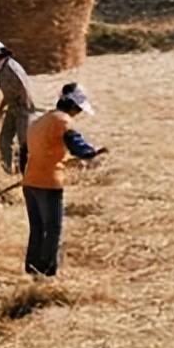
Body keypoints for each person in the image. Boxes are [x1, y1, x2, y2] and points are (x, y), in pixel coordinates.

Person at [22, 83, 108, 278]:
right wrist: (92, 153)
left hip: (30, 182)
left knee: (37, 228)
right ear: (73, 105)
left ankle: (31, 268)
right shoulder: (62, 122)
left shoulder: (38, 121)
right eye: (78, 109)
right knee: (52, 229)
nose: (77, 113)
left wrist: (26, 175)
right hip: (49, 183)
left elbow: (25, 152)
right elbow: (78, 147)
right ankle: (46, 273)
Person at [0, 40, 37, 174]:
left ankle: (30, 172)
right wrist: (0, 109)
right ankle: (8, 169)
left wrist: (24, 109)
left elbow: (23, 87)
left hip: (22, 109)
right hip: (13, 107)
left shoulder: (11, 68)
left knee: (24, 142)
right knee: (5, 138)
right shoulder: (3, 70)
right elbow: (8, 93)